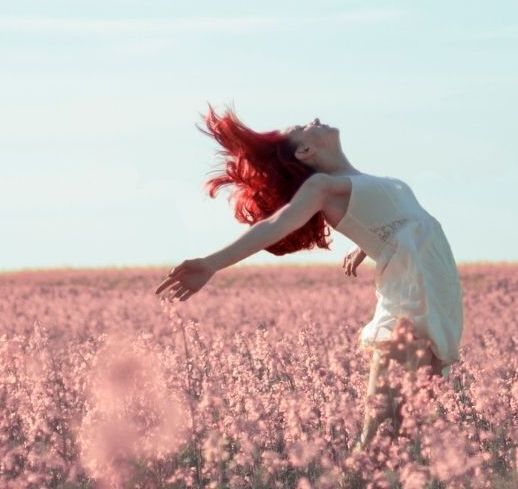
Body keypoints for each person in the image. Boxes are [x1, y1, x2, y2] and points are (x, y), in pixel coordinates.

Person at [154, 104, 465, 450]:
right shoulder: (323, 186)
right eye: (303, 126)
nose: (314, 119)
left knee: (408, 435)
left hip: (438, 294)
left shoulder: (363, 182)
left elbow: (402, 225)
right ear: (305, 151)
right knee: (381, 437)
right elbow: (277, 223)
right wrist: (213, 263)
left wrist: (368, 246)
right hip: (412, 296)